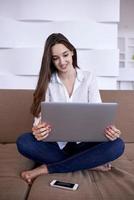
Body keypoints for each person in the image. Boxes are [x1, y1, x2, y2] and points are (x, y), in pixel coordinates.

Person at [16, 33, 125, 184]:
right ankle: (88, 164)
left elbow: (99, 115)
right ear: (51, 61)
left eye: (65, 54)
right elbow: (38, 121)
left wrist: (110, 131)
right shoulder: (47, 82)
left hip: (85, 145)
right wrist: (38, 130)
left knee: (117, 145)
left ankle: (46, 168)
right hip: (57, 146)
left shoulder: (89, 77)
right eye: (55, 58)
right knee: (24, 142)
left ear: (72, 51)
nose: (62, 62)